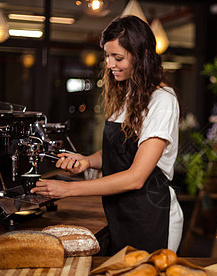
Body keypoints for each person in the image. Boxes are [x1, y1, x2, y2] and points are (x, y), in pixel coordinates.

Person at [33, 15, 183, 255]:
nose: (110, 63)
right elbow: (120, 151)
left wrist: (68, 190)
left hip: (151, 215)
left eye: (118, 57)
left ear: (143, 56)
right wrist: (86, 161)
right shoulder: (126, 96)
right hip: (118, 211)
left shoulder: (162, 101)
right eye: (107, 55)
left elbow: (136, 176)